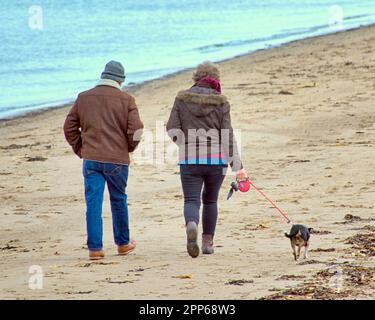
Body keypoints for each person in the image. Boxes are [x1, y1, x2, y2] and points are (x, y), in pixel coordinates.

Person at [63, 60, 144, 260]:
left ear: (103, 76)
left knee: (93, 203)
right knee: (118, 200)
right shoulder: (126, 99)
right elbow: (137, 130)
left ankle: (95, 249)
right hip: (117, 160)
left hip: (91, 159)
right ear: (120, 80)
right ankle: (123, 244)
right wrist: (127, 148)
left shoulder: (84, 97)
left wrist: (81, 149)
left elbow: (69, 128)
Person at [167, 61, 248, 258]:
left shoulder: (181, 98)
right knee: (211, 200)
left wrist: (184, 145)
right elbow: (227, 135)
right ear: (215, 81)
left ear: (196, 78)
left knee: (192, 199)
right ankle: (207, 243)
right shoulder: (221, 101)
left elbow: (171, 127)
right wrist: (238, 166)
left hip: (189, 159)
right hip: (216, 161)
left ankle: (192, 224)